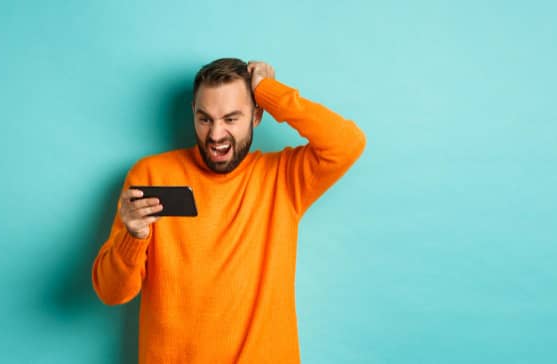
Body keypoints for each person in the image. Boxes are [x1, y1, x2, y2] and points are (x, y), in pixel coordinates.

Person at [91, 58, 366, 363]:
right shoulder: (151, 175)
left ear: (257, 115)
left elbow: (347, 143)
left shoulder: (284, 178)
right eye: (205, 119)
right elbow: (111, 293)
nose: (216, 135)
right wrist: (133, 236)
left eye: (231, 119)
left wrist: (269, 90)